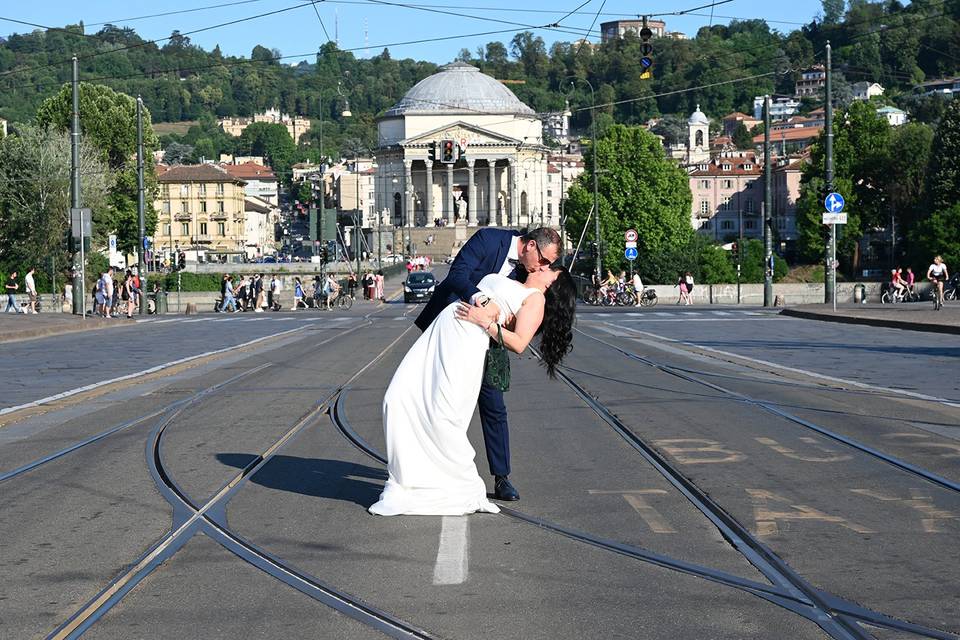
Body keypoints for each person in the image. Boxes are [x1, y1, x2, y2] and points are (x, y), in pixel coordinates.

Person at [369, 264, 576, 517]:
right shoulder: (514, 279)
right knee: (398, 397)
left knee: (444, 417)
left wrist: (486, 323)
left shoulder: (535, 300)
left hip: (466, 344)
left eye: (550, 269)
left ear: (552, 283)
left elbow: (520, 343)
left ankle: (458, 487)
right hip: (440, 335)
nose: (544, 266)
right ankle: (409, 477)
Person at [410, 227, 561, 503]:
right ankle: (424, 469)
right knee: (436, 400)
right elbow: (457, 275)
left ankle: (501, 477)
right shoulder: (489, 240)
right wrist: (481, 300)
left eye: (547, 264)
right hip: (451, 325)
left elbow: (529, 312)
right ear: (529, 246)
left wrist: (504, 322)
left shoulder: (530, 276)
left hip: (489, 340)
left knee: (493, 405)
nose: (543, 267)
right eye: (543, 260)